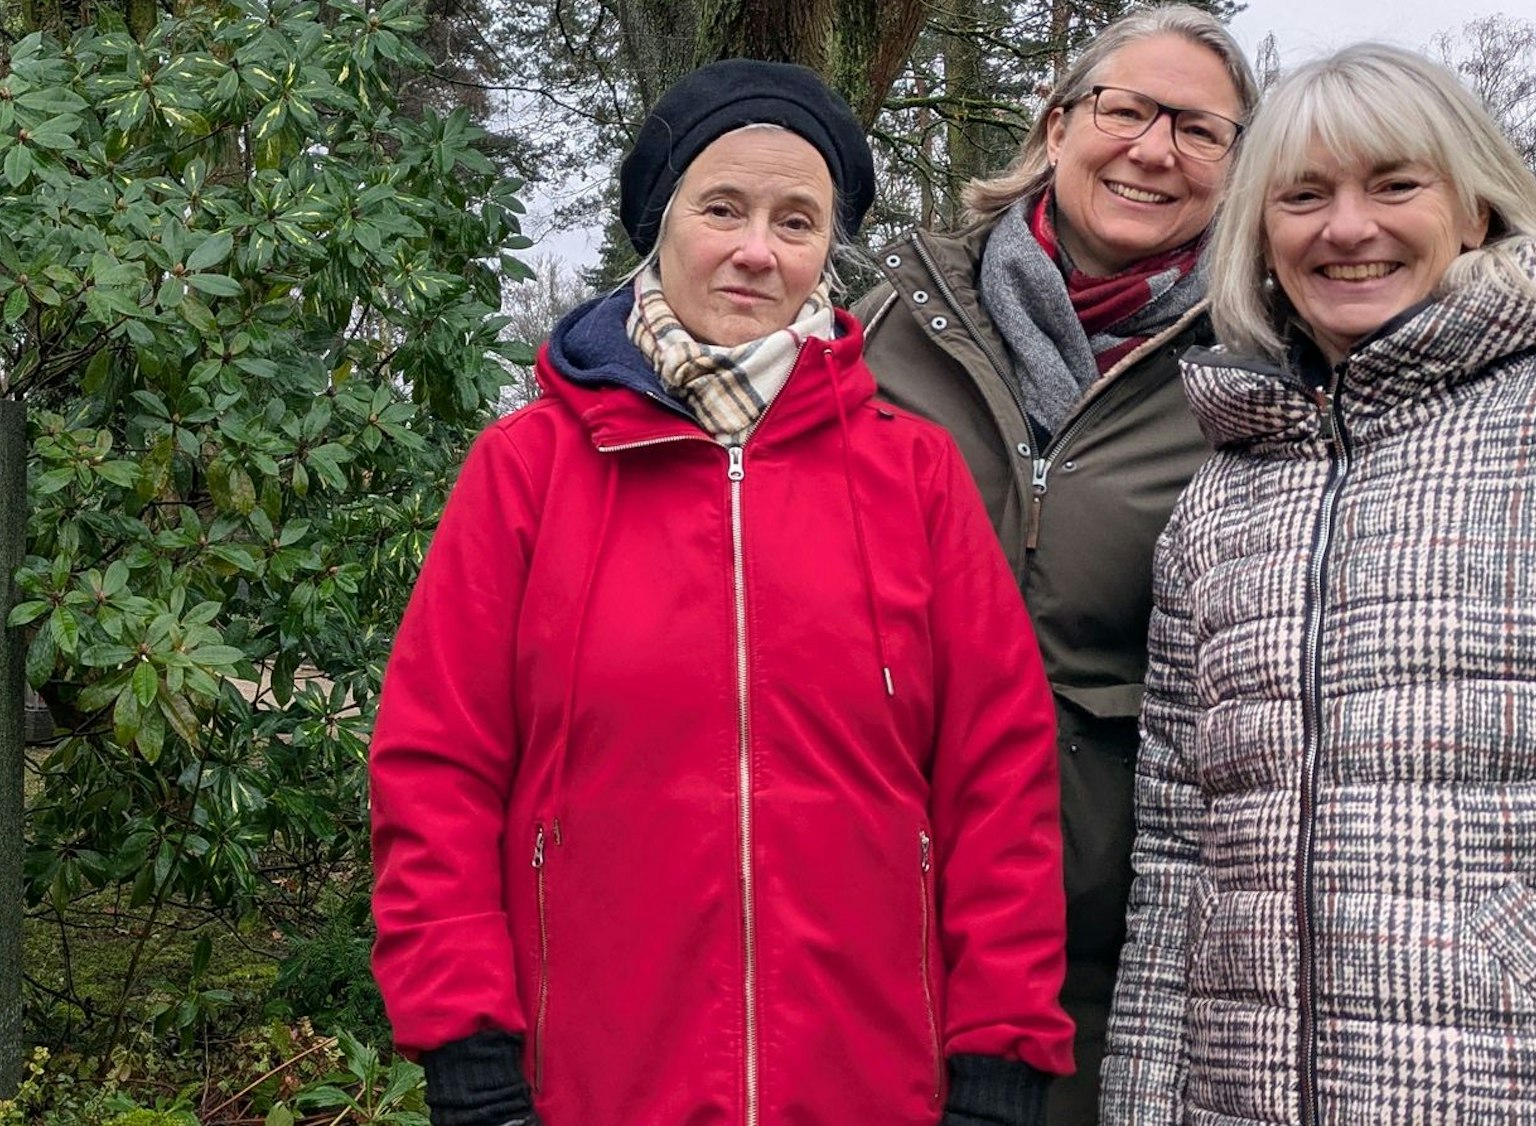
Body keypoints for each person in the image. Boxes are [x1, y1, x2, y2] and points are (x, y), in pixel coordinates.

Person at [369, 59, 1074, 1126]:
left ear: (825, 252)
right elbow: (436, 767)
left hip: (871, 1077)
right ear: (660, 225)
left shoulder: (912, 474)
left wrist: (1001, 1045)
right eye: (722, 208)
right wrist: (461, 1035)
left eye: (796, 221)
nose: (756, 249)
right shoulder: (528, 468)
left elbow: (997, 781)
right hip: (592, 1079)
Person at [1100, 42, 1536, 1123]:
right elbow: (1176, 857)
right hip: (1243, 1092)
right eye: (1301, 196)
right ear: (1260, 236)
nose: (1345, 227)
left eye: (1393, 184)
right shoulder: (1219, 499)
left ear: (1473, 208)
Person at [855, 8, 1257, 1121]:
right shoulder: (884, 322)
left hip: (1109, 942)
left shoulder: (1263, 367)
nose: (1151, 148)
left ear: (1236, 169)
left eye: (1197, 129)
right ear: (1055, 125)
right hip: (859, 906)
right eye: (1124, 110)